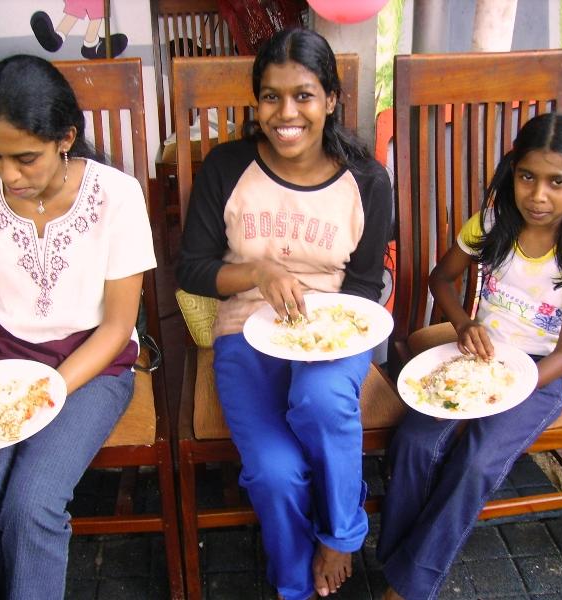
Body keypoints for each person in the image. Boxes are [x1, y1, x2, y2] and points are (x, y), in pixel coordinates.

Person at [176, 28, 392, 600]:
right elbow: (192, 269)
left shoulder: (367, 181)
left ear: (331, 99)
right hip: (244, 331)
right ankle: (294, 584)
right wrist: (257, 272)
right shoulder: (226, 167)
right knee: (274, 472)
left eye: (304, 95)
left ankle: (340, 535)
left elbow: (365, 285)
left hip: (335, 331)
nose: (286, 113)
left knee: (319, 400)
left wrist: (324, 332)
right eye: (271, 96)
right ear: (257, 102)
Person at [0, 55, 155, 600]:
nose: (8, 174)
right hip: (7, 366)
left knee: (32, 504)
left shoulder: (116, 196)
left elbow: (117, 327)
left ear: (66, 139)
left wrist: (48, 390)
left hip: (96, 368)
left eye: (25, 158)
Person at [376, 113, 562, 600]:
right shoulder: (492, 222)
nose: (538, 195)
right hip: (476, 357)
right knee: (416, 442)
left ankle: (410, 584)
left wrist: (504, 391)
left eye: (557, 182)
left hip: (541, 374)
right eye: (527, 177)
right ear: (513, 171)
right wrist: (464, 325)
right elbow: (441, 279)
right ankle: (398, 557)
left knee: (477, 462)